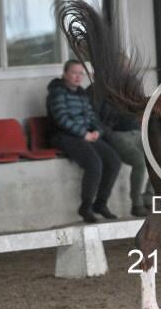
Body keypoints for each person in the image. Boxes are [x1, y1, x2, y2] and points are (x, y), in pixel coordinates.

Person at [47, 60, 121, 223]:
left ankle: (100, 203)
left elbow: (92, 117)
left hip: (86, 135)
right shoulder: (57, 93)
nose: (78, 77)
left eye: (81, 73)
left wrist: (97, 131)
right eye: (74, 72)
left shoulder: (81, 94)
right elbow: (61, 119)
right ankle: (85, 207)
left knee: (114, 161)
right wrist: (83, 134)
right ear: (64, 74)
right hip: (64, 136)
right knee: (94, 164)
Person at [87, 86, 155, 217]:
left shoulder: (126, 86)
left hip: (137, 132)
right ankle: (137, 204)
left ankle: (149, 197)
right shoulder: (95, 90)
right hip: (116, 134)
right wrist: (109, 134)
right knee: (139, 161)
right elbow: (93, 118)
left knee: (158, 158)